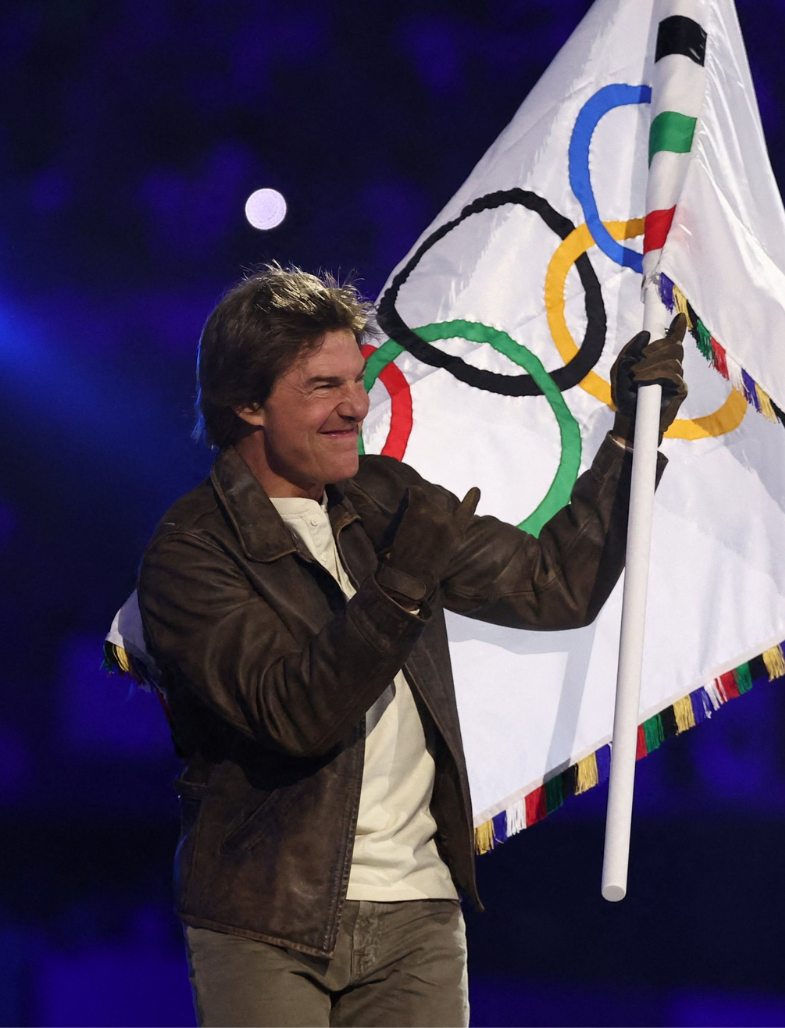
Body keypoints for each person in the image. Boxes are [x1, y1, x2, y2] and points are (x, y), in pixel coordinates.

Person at [136, 264, 687, 1027]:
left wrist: (631, 435)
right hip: (265, 921)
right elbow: (294, 713)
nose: (356, 406)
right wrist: (398, 589)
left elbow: (558, 584)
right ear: (247, 403)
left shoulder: (388, 499)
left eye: (355, 380)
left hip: (419, 915)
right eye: (323, 386)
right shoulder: (190, 551)